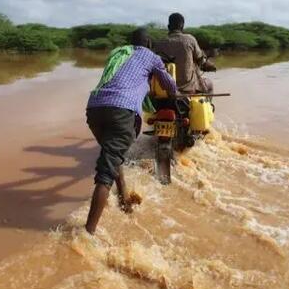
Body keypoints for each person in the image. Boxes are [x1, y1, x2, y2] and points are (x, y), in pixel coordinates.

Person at [84, 28, 178, 234]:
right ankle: (87, 235)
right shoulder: (151, 56)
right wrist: (175, 94)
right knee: (105, 174)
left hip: (95, 108)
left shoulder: (119, 53)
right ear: (149, 44)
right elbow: (168, 83)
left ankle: (123, 198)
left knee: (113, 156)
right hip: (122, 110)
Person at [154, 12, 216, 94]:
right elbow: (201, 59)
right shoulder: (189, 40)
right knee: (210, 84)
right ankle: (209, 105)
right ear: (182, 26)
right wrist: (211, 66)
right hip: (187, 88)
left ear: (168, 27)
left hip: (164, 90)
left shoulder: (159, 43)